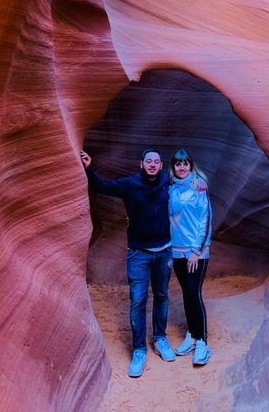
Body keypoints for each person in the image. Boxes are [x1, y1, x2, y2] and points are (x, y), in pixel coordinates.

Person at [80, 148, 176, 378]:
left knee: (162, 295)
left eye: (156, 161)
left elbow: (189, 183)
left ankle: (161, 339)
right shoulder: (129, 185)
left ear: (161, 166)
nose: (152, 164)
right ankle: (140, 350)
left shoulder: (167, 181)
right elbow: (101, 187)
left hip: (164, 251)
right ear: (140, 164)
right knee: (138, 301)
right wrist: (89, 167)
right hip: (138, 254)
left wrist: (199, 185)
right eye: (148, 161)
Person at [169, 148, 212, 366]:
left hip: (195, 252)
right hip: (176, 251)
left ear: (191, 166)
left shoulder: (199, 187)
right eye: (178, 164)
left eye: (186, 163)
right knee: (187, 293)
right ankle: (192, 335)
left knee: (194, 293)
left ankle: (202, 342)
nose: (182, 167)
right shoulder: (170, 189)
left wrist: (196, 251)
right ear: (173, 167)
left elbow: (205, 220)